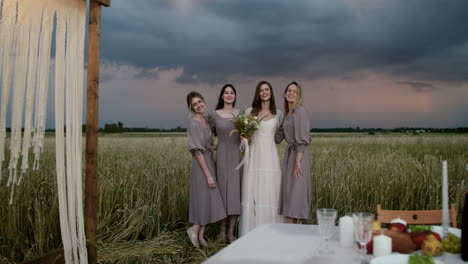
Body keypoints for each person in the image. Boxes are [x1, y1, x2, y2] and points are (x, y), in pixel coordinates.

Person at [239, 80, 284, 236]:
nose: (264, 92)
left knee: (270, 191)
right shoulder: (250, 112)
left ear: (271, 92)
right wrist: (244, 137)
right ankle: (251, 233)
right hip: (255, 154)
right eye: (261, 90)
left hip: (270, 156)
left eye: (267, 89)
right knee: (253, 191)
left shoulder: (278, 113)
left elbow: (281, 135)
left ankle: (272, 233)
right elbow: (246, 137)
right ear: (258, 94)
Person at [186, 91, 226, 247]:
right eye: (195, 104)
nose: (198, 105)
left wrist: (218, 147)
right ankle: (194, 230)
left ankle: (201, 236)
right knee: (205, 199)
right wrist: (208, 175)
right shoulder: (194, 123)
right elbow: (197, 151)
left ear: (204, 101)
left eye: (200, 102)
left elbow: (207, 144)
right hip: (202, 166)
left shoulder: (204, 120)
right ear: (191, 107)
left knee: (208, 199)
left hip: (209, 160)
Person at [207, 84, 242, 243]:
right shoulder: (214, 115)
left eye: (232, 93)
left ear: (235, 96)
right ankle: (221, 231)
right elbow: (207, 132)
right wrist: (211, 146)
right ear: (222, 96)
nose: (229, 95)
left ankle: (230, 232)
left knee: (235, 193)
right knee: (222, 193)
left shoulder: (241, 114)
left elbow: (246, 134)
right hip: (221, 156)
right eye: (226, 93)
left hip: (237, 156)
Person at [275, 81, 311, 223]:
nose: (291, 93)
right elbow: (278, 138)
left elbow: (302, 139)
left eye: (294, 92)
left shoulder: (300, 111)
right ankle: (293, 231)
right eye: (289, 91)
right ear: (284, 94)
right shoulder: (287, 114)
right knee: (290, 194)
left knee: (296, 197)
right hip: (290, 156)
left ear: (298, 95)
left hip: (299, 156)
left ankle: (293, 232)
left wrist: (297, 162)